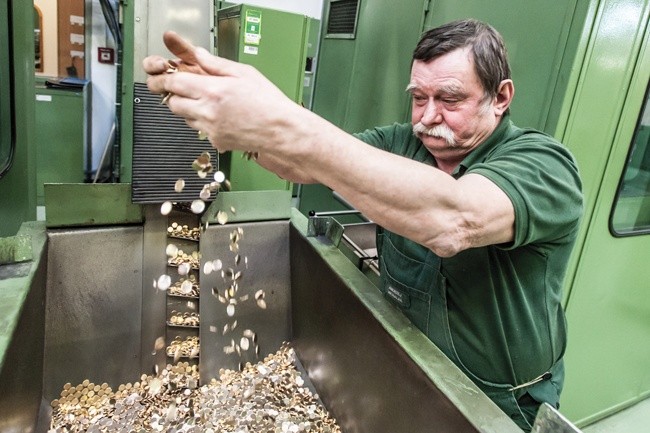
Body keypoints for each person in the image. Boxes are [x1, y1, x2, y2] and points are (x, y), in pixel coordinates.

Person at [143, 19, 583, 431]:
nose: (427, 117)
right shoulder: (402, 142)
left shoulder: (543, 164)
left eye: (450, 100)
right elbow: (302, 163)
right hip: (407, 365)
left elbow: (453, 220)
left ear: (501, 97)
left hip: (496, 402)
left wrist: (279, 119)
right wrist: (243, 127)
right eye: (418, 98)